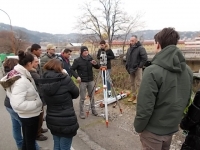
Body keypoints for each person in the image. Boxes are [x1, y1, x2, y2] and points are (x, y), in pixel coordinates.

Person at [134, 28, 193, 150]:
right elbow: (186, 100)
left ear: (158, 44)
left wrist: (138, 127)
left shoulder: (152, 71)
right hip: (171, 128)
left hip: (152, 131)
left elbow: (145, 106)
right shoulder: (187, 70)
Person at [0, 51, 43, 150]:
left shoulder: (18, 74)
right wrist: (37, 103)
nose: (36, 64)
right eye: (34, 62)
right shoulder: (21, 80)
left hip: (27, 115)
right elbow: (18, 104)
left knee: (27, 141)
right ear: (29, 63)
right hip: (29, 116)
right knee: (30, 142)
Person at [38, 59, 79, 150]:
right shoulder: (65, 79)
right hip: (67, 120)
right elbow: (76, 93)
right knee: (65, 147)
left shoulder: (43, 80)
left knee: (57, 145)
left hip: (52, 119)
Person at [71, 46, 100, 119]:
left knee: (92, 96)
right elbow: (71, 70)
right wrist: (77, 76)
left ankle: (94, 110)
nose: (86, 52)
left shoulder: (90, 59)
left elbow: (97, 67)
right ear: (81, 52)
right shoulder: (77, 60)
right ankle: (81, 113)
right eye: (84, 51)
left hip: (90, 80)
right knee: (82, 98)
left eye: (87, 51)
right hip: (83, 81)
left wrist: (95, 63)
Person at [29, 53, 48, 141]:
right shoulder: (32, 72)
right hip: (37, 97)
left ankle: (39, 129)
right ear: (30, 63)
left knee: (41, 115)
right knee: (39, 116)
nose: (37, 63)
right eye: (36, 62)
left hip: (39, 95)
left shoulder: (34, 70)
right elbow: (41, 81)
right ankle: (37, 134)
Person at [125, 35, 147, 104]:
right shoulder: (129, 49)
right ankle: (133, 96)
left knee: (139, 83)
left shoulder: (140, 48)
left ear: (136, 41)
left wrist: (140, 66)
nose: (131, 42)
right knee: (132, 83)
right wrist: (127, 66)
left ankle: (138, 98)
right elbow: (127, 59)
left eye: (132, 41)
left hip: (137, 68)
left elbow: (144, 58)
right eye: (130, 41)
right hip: (130, 69)